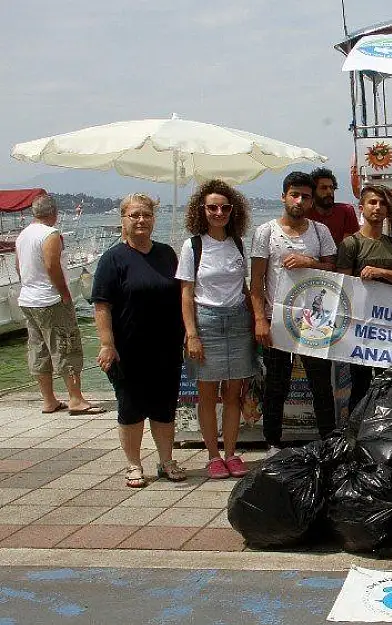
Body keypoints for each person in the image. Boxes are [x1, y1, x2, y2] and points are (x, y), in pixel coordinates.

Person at [91, 194, 186, 488]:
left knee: (164, 407)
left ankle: (166, 460)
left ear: (154, 219)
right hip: (128, 350)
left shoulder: (167, 254)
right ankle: (133, 464)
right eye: (134, 215)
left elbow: (182, 296)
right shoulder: (112, 259)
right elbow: (101, 305)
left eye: (146, 215)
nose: (141, 220)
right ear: (123, 220)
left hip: (166, 348)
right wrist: (107, 344)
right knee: (130, 408)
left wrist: (188, 334)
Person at [250, 171, 338, 455]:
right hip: (277, 319)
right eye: (294, 195)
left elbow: (333, 271)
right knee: (276, 384)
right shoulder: (266, 232)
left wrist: (308, 261)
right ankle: (273, 443)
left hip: (315, 320)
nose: (300, 201)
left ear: (312, 200)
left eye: (306, 196)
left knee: (321, 384)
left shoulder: (320, 232)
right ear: (284, 196)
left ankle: (327, 441)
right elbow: (256, 282)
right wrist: (260, 320)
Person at [176, 180, 256, 479]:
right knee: (207, 394)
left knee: (233, 393)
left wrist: (255, 319)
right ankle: (212, 456)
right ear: (202, 210)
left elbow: (244, 287)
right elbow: (186, 293)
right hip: (206, 321)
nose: (218, 212)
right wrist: (191, 334)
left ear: (233, 210)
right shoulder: (193, 246)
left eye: (224, 207)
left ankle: (232, 453)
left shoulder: (237, 243)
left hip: (237, 322)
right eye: (212, 207)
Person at [15, 193, 102, 416]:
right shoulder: (50, 234)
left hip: (28, 298)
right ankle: (75, 398)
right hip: (50, 299)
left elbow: (18, 266)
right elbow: (52, 265)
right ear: (53, 213)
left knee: (39, 348)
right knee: (66, 345)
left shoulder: (23, 235)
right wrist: (64, 293)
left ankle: (49, 400)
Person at [338, 184, 392, 407]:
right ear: (361, 207)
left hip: (390, 327)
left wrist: (381, 272)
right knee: (360, 384)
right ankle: (355, 433)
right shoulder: (350, 244)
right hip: (360, 328)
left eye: (382, 204)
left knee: (389, 383)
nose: (378, 207)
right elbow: (343, 287)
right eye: (372, 202)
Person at [307, 167, 360, 247]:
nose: (329, 192)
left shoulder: (346, 211)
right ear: (313, 191)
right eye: (323, 188)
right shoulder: (306, 213)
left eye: (331, 188)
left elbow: (348, 247)